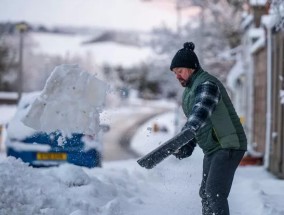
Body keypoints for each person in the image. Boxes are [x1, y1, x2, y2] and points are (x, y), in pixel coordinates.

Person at [170, 42, 247, 215]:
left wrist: (185, 135)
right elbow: (194, 121)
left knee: (215, 192)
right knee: (205, 193)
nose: (177, 76)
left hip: (228, 144)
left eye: (180, 71)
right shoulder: (190, 91)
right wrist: (186, 146)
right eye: (175, 73)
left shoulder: (206, 85)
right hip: (214, 148)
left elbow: (200, 112)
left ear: (192, 68)